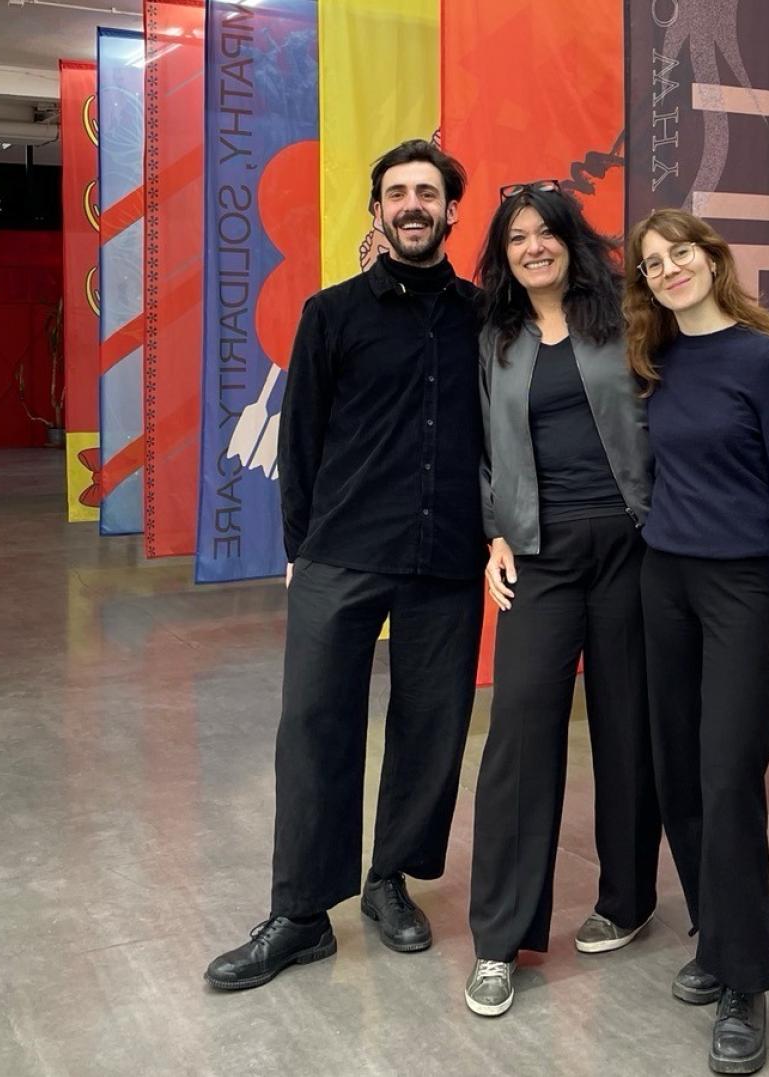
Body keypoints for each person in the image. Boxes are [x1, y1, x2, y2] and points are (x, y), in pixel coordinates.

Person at [463, 186, 769, 1018]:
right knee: (524, 726)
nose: (534, 247)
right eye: (517, 237)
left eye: (547, 232)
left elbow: (734, 391)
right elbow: (484, 447)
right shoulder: (501, 337)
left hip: (638, 542)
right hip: (552, 552)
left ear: (572, 242)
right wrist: (493, 534)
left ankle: (634, 903)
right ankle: (499, 938)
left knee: (643, 737)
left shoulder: (625, 326)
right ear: (503, 252)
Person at [205, 139, 486, 990]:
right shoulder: (330, 314)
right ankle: (299, 913)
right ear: (376, 211)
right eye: (397, 192)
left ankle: (389, 881)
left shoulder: (483, 316)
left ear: (450, 212)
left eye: (427, 193)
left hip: (446, 552)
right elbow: (301, 438)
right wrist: (299, 549)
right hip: (341, 551)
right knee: (315, 726)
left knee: (431, 726)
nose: (412, 204)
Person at [623, 208, 769, 1075]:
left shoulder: (765, 359)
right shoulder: (652, 361)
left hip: (742, 588)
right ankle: (714, 936)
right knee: (679, 773)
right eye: (653, 263)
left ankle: (745, 981)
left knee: (728, 776)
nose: (669, 270)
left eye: (680, 254)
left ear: (712, 258)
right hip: (662, 582)